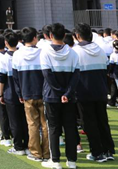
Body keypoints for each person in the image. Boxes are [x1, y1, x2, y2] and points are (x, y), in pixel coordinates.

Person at [40, 23, 80, 169]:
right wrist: (66, 94)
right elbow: (76, 76)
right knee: (70, 128)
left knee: (53, 128)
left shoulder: (45, 52)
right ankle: (72, 161)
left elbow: (48, 76)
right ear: (64, 35)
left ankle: (55, 160)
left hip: (52, 96)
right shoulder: (73, 53)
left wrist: (59, 93)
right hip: (69, 97)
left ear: (51, 35)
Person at [73, 23, 115, 162]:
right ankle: (108, 150)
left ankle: (97, 152)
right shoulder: (100, 50)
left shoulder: (75, 51)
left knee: (89, 123)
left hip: (83, 92)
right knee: (102, 121)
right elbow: (107, 69)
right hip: (101, 91)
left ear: (77, 36)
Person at [12, 27, 49, 163]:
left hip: (27, 93)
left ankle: (36, 153)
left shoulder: (17, 54)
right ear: (34, 38)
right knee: (45, 124)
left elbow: (15, 77)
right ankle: (47, 153)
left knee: (32, 124)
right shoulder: (43, 52)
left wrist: (19, 93)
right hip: (43, 93)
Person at [0, 32, 28, 156]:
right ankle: (27, 145)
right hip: (23, 91)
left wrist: (0, 94)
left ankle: (18, 146)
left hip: (10, 92)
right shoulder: (22, 55)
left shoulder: (4, 58)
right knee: (24, 120)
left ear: (6, 43)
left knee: (14, 121)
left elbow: (1, 78)